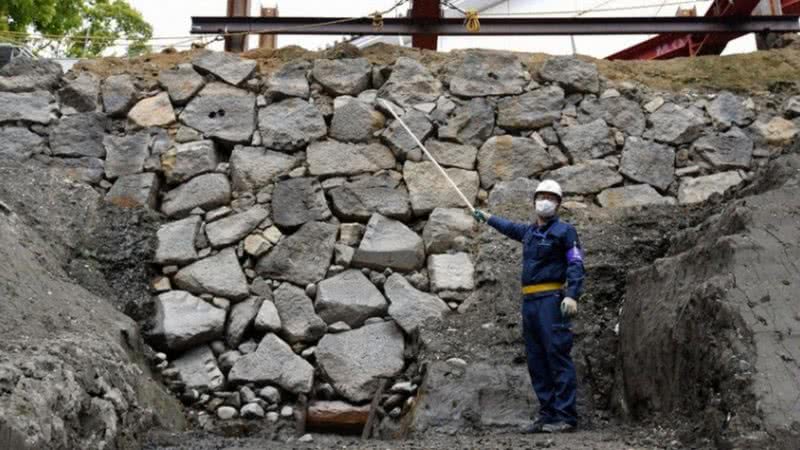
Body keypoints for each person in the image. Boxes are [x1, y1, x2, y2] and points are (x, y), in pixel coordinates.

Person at [472, 179, 584, 434]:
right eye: (541, 196)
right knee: (536, 360)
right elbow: (509, 227)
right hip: (530, 303)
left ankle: (566, 417)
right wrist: (486, 217)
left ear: (558, 203)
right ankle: (547, 415)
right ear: (534, 200)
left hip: (551, 301)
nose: (545, 201)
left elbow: (575, 262)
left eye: (551, 197)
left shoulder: (565, 232)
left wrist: (573, 294)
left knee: (557, 355)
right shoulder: (530, 232)